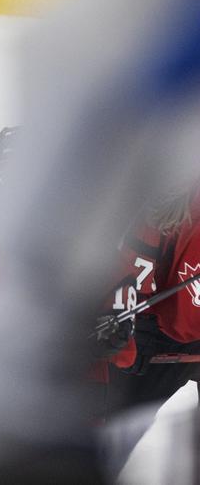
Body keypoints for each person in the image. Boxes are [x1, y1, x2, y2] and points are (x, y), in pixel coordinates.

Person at [0, 127, 135, 389]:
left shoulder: (82, 235)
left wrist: (115, 327)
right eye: (6, 173)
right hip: (17, 401)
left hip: (83, 391)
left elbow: (118, 279)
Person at [101, 182, 200, 475]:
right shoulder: (178, 200)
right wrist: (135, 324)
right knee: (107, 437)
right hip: (157, 335)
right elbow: (133, 270)